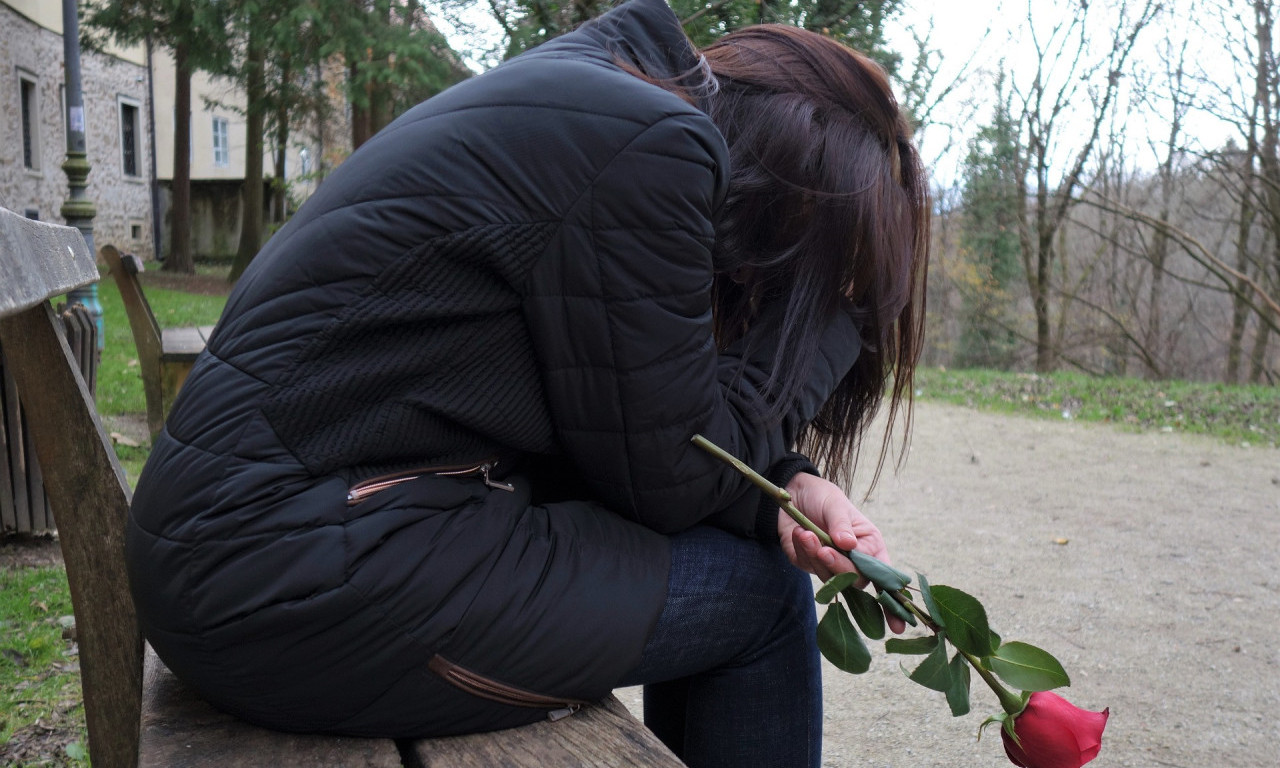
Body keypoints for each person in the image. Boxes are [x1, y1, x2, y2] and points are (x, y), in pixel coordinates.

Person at [125, 1, 930, 766]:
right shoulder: (651, 148)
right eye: (823, 276)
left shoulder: (609, 104)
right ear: (788, 204)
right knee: (759, 599)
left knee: (737, 572)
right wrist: (839, 326)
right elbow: (670, 482)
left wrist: (789, 486)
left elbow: (622, 419)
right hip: (289, 579)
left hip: (256, 553)